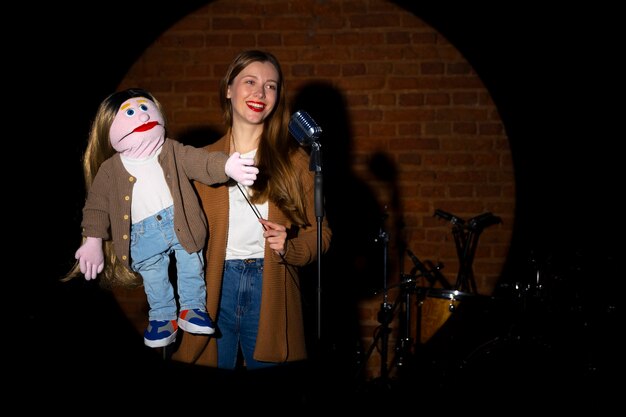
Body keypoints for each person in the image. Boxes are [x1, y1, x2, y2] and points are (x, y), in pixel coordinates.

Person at [171, 50, 332, 372]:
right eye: (250, 81)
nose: (260, 93)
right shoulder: (198, 161)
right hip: (213, 288)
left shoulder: (296, 162)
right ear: (228, 89)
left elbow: (322, 234)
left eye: (270, 86)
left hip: (271, 286)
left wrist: (292, 247)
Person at [64, 88, 259, 348]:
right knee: (155, 278)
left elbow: (200, 161)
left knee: (192, 264)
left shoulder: (172, 150)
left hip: (180, 222)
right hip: (141, 235)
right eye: (131, 112)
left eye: (145, 108)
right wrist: (92, 240)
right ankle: (162, 319)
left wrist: (226, 166)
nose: (143, 117)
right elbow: (97, 207)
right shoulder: (109, 170)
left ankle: (192, 309)